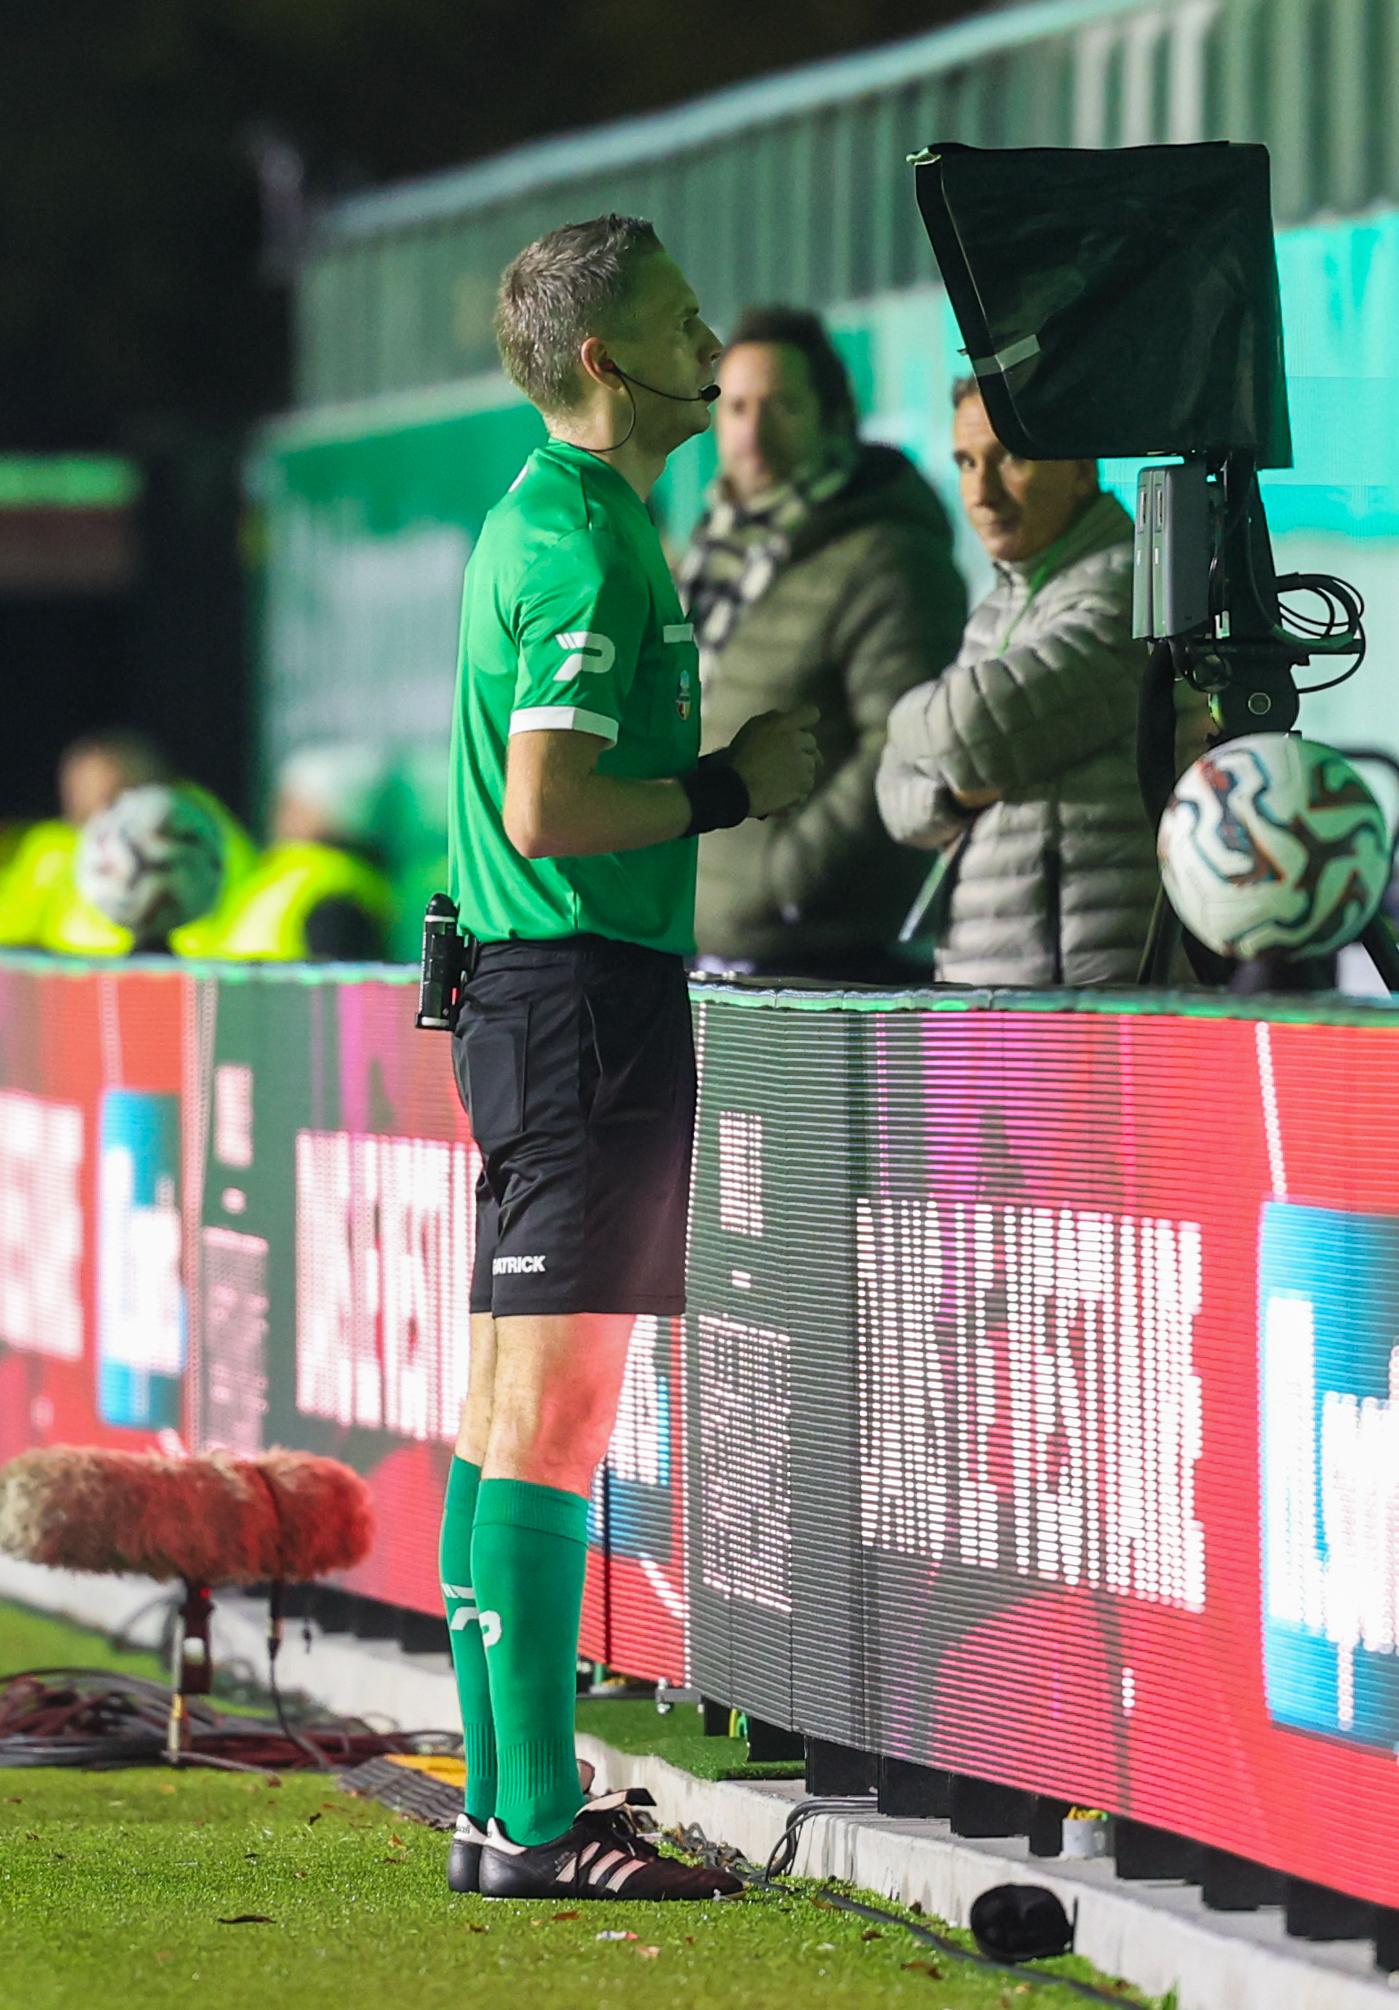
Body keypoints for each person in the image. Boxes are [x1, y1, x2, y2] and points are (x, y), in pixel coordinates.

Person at [441, 213, 816, 1902]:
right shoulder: (582, 543)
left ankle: (502, 1809)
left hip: (545, 1000)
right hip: (574, 999)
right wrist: (733, 787)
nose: (711, 340)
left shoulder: (569, 516)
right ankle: (526, 1825)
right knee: (551, 1416)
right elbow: (547, 806)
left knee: (510, 1413)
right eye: (680, 321)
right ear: (608, 358)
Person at [684, 306, 966, 981]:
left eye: (781, 407)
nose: (753, 432)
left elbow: (900, 741)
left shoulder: (888, 554)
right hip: (711, 946)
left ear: (834, 418)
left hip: (828, 956)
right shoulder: (712, 554)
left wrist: (782, 881)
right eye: (736, 407)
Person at [877, 378, 1180, 986]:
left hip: (1087, 990)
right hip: (994, 986)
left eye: (1010, 457)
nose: (982, 494)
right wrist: (951, 795)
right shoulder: (1000, 606)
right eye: (966, 462)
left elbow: (972, 730)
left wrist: (900, 722)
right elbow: (893, 796)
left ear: (1080, 469)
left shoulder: (1130, 589)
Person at [0, 729, 254, 956]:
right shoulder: (52, 847)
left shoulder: (196, 834)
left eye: (108, 798)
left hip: (186, 983)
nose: (96, 815)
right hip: (75, 991)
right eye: (77, 797)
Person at [208, 743, 393, 961]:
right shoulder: (291, 872)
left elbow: (335, 984)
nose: (277, 813)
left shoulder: (334, 889)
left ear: (328, 812)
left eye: (292, 802)